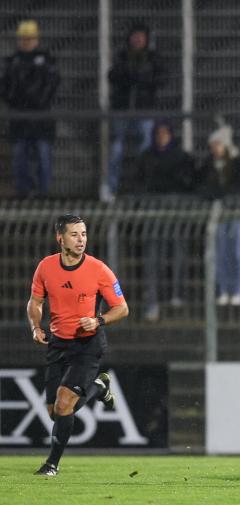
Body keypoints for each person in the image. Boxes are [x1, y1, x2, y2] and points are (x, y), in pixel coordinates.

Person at [28, 215, 130, 476]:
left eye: (83, 234)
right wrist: (35, 326)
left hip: (88, 344)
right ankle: (99, 387)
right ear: (60, 238)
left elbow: (122, 309)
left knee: (64, 404)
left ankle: (51, 464)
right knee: (54, 412)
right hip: (58, 344)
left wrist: (98, 320)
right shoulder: (46, 267)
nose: (81, 239)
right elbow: (35, 302)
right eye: (74, 234)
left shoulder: (99, 270)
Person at [137, 120, 195, 321]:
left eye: (165, 133)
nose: (161, 138)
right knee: (154, 255)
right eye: (158, 134)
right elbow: (142, 182)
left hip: (175, 211)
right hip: (153, 213)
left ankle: (176, 294)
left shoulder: (180, 157)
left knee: (177, 252)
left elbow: (187, 181)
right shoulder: (147, 157)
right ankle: (154, 299)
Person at [104, 22, 166, 201]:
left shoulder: (153, 58)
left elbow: (162, 78)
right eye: (135, 36)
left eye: (141, 36)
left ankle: (142, 187)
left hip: (145, 110)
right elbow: (112, 75)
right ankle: (111, 187)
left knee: (145, 148)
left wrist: (145, 80)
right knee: (116, 149)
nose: (138, 39)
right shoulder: (123, 56)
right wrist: (127, 76)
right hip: (122, 109)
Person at [1, 20, 60, 197]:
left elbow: (52, 85)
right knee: (20, 157)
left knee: (43, 156)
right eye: (23, 39)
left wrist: (34, 101)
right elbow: (5, 87)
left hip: (39, 117)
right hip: (21, 118)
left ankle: (43, 192)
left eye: (29, 38)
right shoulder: (12, 62)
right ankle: (24, 191)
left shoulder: (46, 60)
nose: (26, 42)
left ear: (36, 39)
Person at [196, 120, 240, 306]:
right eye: (213, 145)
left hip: (237, 213)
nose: (216, 148)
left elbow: (238, 187)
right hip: (220, 215)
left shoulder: (236, 163)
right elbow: (203, 186)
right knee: (222, 253)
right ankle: (224, 290)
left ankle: (238, 290)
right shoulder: (208, 165)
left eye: (219, 144)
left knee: (237, 253)